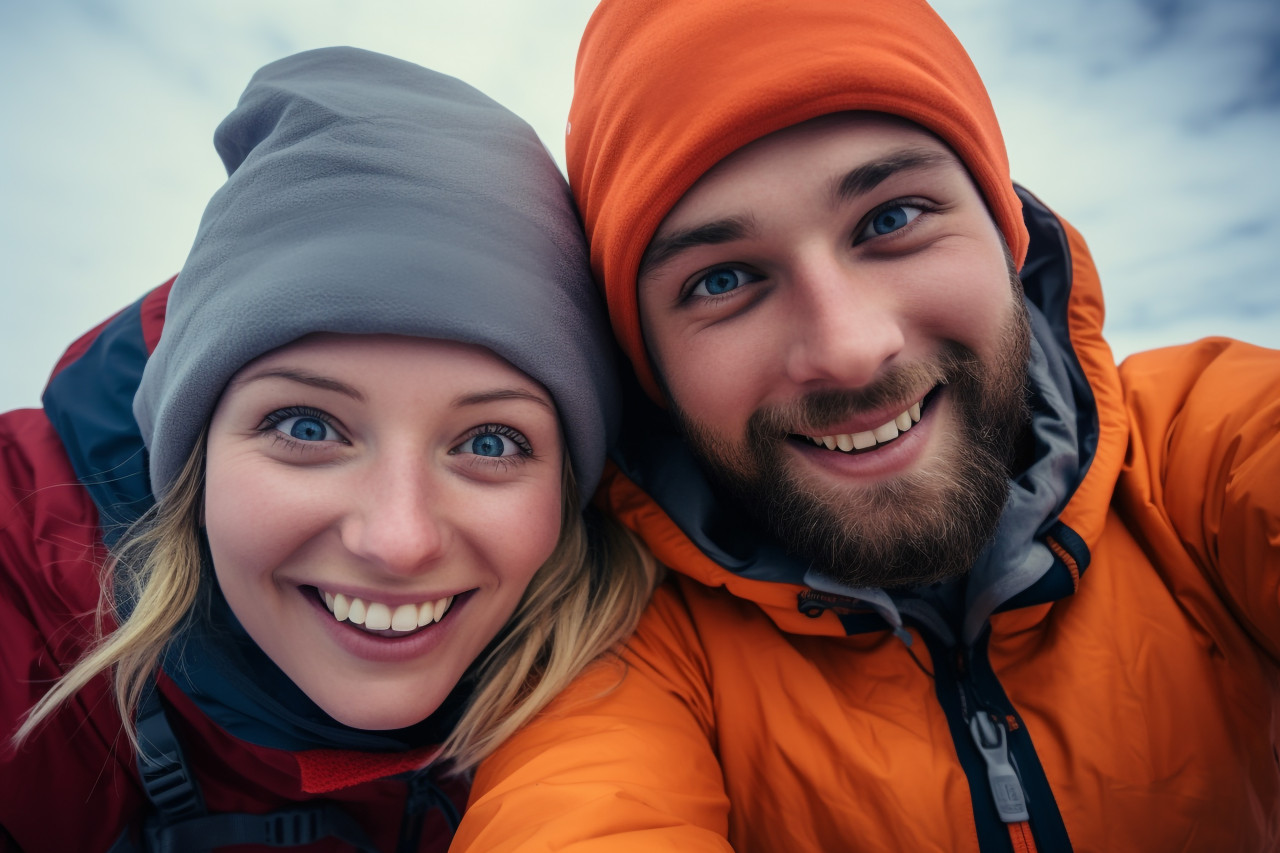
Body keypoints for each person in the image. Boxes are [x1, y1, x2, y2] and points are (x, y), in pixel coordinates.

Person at [453, 1, 1280, 851]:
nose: (848, 350)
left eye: (892, 218)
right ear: (651, 372)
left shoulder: (1203, 450)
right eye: (725, 278)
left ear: (1005, 234)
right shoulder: (625, 646)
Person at [0, 47, 655, 853]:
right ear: (192, 439)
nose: (398, 540)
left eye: (490, 440)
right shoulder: (23, 568)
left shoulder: (665, 650)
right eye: (308, 427)